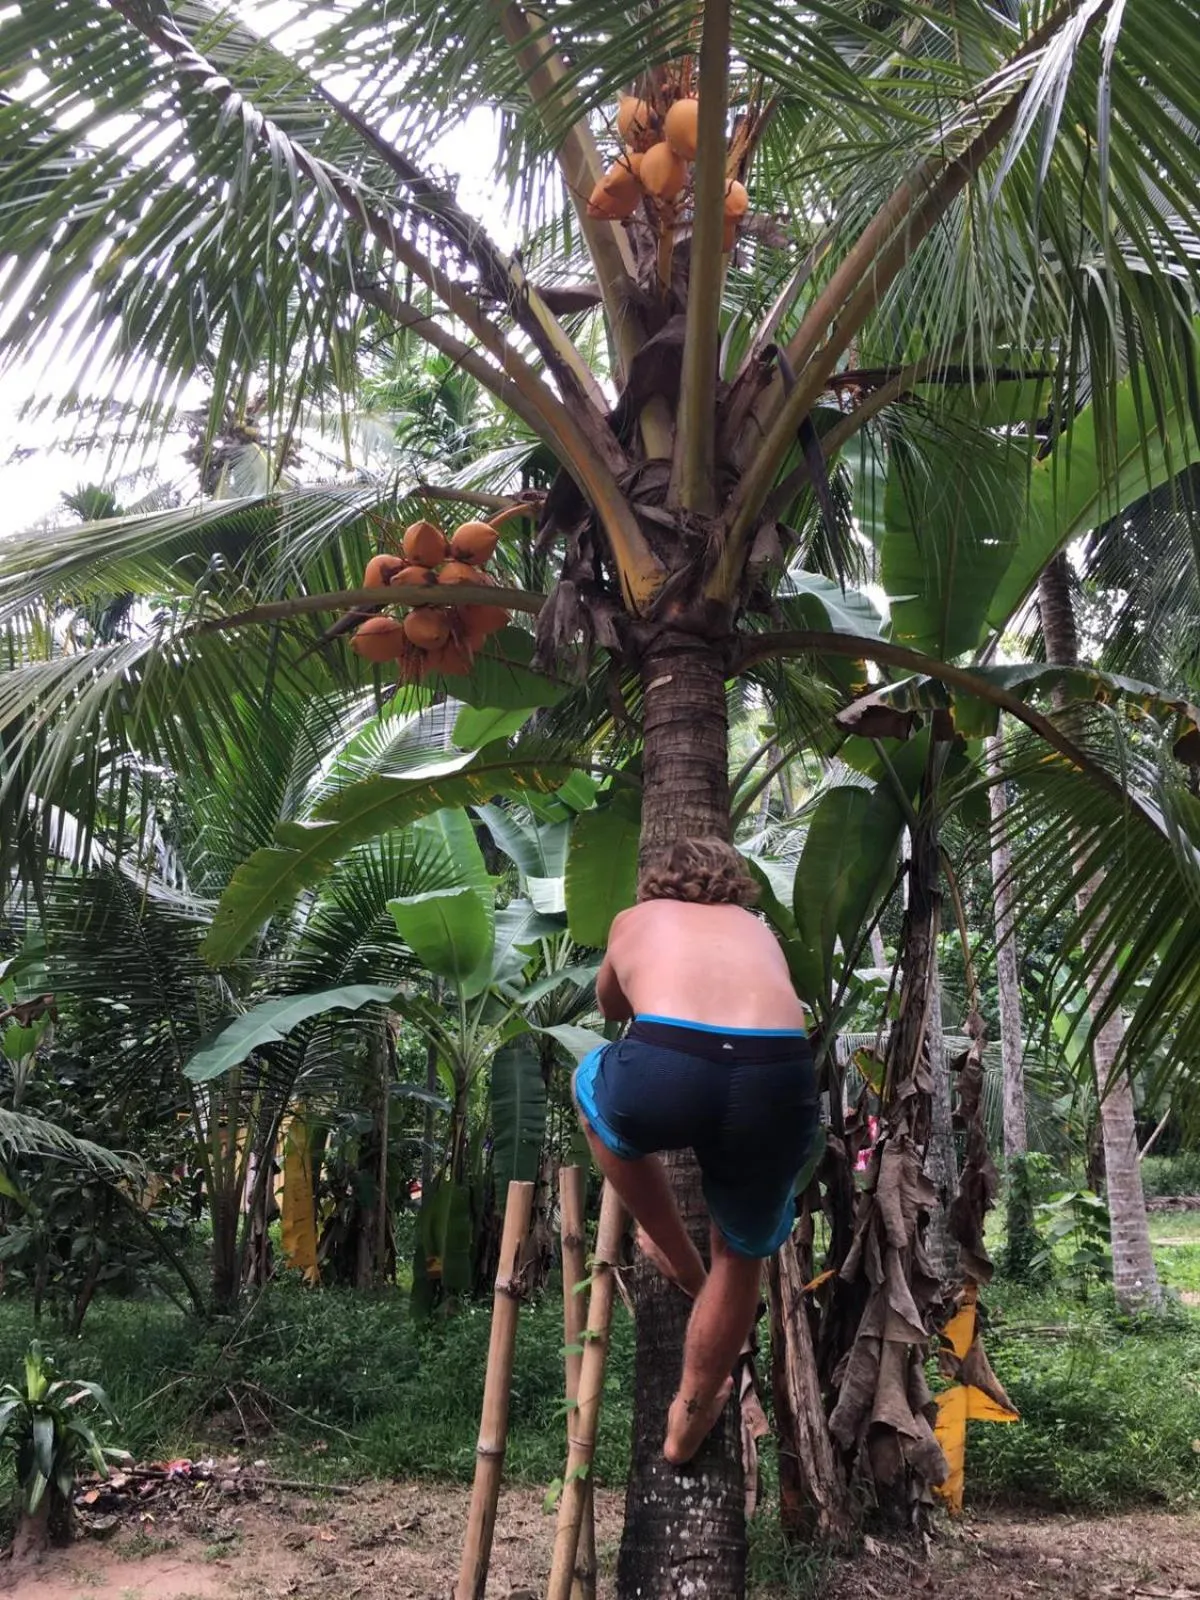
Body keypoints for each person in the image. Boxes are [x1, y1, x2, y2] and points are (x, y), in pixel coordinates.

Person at [573, 837, 819, 1466]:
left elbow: (609, 1005)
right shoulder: (758, 929)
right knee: (742, 1254)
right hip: (778, 1078)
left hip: (671, 1068)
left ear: (655, 884)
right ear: (732, 885)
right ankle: (688, 1419)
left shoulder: (634, 919)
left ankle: (676, 1258)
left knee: (592, 1086)